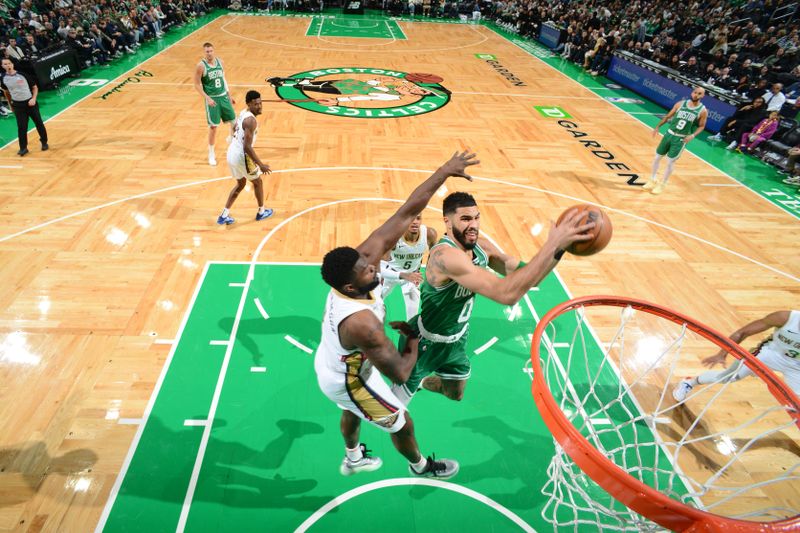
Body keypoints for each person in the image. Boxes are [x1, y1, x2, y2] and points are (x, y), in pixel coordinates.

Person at [316, 151, 479, 479]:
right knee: (402, 421)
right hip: (348, 379)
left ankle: (353, 456)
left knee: (353, 410)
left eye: (367, 261)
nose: (373, 265)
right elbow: (404, 372)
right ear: (350, 287)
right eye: (365, 270)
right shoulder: (363, 325)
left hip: (334, 359)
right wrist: (412, 337)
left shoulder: (358, 265)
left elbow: (409, 210)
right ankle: (420, 466)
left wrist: (444, 170)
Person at [389, 192, 595, 405]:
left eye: (477, 217)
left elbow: (529, 278)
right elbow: (506, 294)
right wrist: (552, 245)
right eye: (466, 219)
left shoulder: (482, 247)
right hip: (423, 344)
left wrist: (559, 249)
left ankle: (422, 382)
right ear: (447, 222)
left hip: (456, 339)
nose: (474, 225)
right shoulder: (445, 256)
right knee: (392, 412)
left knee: (455, 393)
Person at [673, 310, 800, 402]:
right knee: (728, 377)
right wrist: (722, 354)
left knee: (797, 401)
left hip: (795, 365)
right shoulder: (784, 317)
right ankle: (689, 382)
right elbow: (743, 332)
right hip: (768, 354)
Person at [217, 90, 273, 225]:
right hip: (241, 155)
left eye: (260, 103)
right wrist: (261, 164)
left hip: (231, 152)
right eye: (256, 104)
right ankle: (261, 212)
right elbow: (247, 147)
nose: (259, 106)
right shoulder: (250, 121)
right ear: (249, 104)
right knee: (258, 182)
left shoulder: (243, 113)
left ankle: (224, 215)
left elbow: (236, 126)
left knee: (241, 184)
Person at [645, 87, 708, 195]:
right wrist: (657, 126)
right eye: (695, 92)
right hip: (669, 134)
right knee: (657, 157)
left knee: (670, 162)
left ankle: (662, 184)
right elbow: (668, 116)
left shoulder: (702, 111)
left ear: (703, 96)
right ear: (692, 93)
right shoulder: (680, 104)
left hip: (680, 138)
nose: (696, 95)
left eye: (699, 93)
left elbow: (702, 126)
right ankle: (652, 179)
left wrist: (692, 135)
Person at [380, 214, 437, 321]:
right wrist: (403, 275)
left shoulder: (429, 234)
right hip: (390, 275)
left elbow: (435, 257)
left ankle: (409, 336)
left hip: (412, 278)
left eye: (418, 218)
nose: (415, 222)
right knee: (373, 305)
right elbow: (380, 268)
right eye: (411, 218)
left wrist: (431, 276)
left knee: (412, 320)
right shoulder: (394, 236)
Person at [193, 42, 235, 166]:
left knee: (234, 122)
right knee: (213, 127)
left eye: (211, 51)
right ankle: (211, 153)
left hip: (223, 96)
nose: (209, 53)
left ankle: (231, 140)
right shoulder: (201, 66)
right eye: (207, 51)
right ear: (204, 52)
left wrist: (229, 95)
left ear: (214, 50)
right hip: (213, 100)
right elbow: (196, 84)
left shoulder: (221, 62)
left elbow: (224, 79)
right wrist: (207, 98)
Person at [0, 57, 48, 156]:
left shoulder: (22, 75)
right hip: (18, 105)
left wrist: (33, 99)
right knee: (22, 127)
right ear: (2, 66)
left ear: (12, 64)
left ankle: (44, 142)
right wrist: (10, 105)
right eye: (5, 64)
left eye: (9, 63)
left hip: (30, 103)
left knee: (39, 123)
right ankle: (23, 148)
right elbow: (6, 91)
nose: (8, 65)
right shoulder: (3, 78)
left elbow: (34, 87)